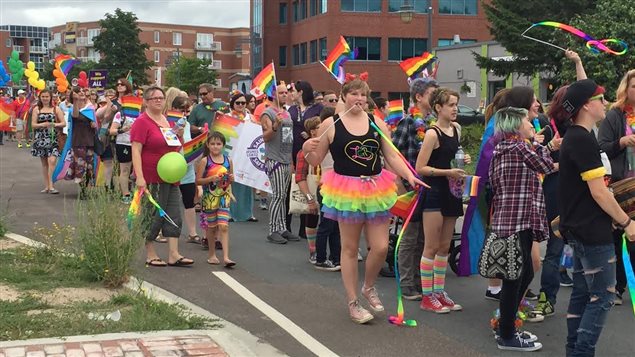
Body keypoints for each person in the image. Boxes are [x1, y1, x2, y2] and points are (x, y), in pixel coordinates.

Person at [302, 73, 424, 324]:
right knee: (349, 248)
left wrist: (409, 177)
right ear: (344, 96)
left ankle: (369, 287)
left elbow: (390, 155)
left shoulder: (375, 121)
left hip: (376, 188)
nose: (359, 98)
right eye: (354, 93)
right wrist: (306, 151)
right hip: (346, 189)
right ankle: (352, 301)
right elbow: (316, 161)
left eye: (363, 94)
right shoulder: (331, 124)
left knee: (380, 247)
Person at [555, 79, 635, 356]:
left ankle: (574, 351)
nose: (604, 104)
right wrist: (627, 222)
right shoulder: (581, 139)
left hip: (581, 229)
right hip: (591, 232)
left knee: (581, 295)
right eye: (599, 99)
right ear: (586, 105)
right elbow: (599, 192)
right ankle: (581, 352)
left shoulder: (579, 136)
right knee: (602, 298)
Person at [489, 107, 557, 351]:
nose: (532, 123)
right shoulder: (520, 148)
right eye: (528, 121)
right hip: (519, 220)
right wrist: (542, 146)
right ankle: (507, 334)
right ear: (516, 126)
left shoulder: (503, 150)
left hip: (511, 219)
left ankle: (505, 324)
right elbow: (547, 166)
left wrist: (540, 146)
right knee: (515, 277)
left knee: (524, 273)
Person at [415, 88, 470, 313]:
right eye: (450, 105)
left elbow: (453, 155)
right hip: (435, 191)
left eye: (456, 104)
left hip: (452, 192)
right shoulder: (432, 133)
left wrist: (463, 158)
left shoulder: (456, 129)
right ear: (438, 108)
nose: (455, 108)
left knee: (445, 246)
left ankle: (439, 291)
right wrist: (447, 172)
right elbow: (420, 168)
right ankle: (427, 296)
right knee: (431, 245)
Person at [130, 86, 193, 267]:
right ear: (146, 102)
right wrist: (140, 177)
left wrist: (179, 136)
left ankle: (174, 254)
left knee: (174, 213)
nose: (158, 100)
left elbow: (173, 146)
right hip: (151, 176)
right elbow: (136, 150)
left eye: (161, 97)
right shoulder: (142, 122)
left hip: (171, 176)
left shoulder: (166, 120)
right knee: (153, 215)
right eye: (154, 98)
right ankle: (150, 253)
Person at [392, 77, 439, 300]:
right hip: (411, 187)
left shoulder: (434, 124)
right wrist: (400, 185)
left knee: (424, 238)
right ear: (419, 97)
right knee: (410, 237)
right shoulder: (409, 123)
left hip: (430, 188)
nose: (436, 99)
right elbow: (393, 155)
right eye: (432, 94)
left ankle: (421, 280)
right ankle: (407, 282)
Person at [597, 69, 635, 306]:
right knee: (620, 234)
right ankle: (618, 285)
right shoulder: (615, 115)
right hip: (622, 183)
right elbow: (602, 146)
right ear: (626, 89)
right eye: (634, 86)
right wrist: (622, 141)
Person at [261, 82, 300, 244]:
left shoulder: (286, 113)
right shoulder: (267, 113)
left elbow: (288, 139)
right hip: (274, 158)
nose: (285, 95)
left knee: (283, 195)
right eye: (282, 93)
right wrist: (275, 125)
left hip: (285, 158)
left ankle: (282, 227)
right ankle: (273, 230)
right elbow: (265, 137)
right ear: (274, 94)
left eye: (286, 92)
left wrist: (291, 161)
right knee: (277, 195)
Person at [288, 80, 324, 237]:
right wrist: (288, 159)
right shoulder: (291, 109)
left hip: (312, 153)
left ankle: (306, 227)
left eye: (294, 90)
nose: (292, 93)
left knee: (310, 183)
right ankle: (286, 227)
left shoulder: (318, 108)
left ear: (301, 91)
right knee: (292, 188)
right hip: (293, 151)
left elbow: (323, 127)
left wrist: (309, 134)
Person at [196, 131, 236, 267]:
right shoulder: (204, 161)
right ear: (208, 145)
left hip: (224, 196)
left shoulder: (228, 160)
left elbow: (231, 178)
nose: (215, 146)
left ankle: (226, 257)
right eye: (212, 144)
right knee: (212, 228)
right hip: (209, 198)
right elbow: (198, 181)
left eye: (218, 144)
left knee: (224, 226)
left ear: (223, 145)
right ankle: (212, 254)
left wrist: (231, 179)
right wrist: (210, 179)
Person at [313, 106, 341, 271]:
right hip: (327, 186)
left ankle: (336, 257)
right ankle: (321, 257)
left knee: (336, 226)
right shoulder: (324, 139)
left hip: (339, 187)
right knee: (327, 224)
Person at [295, 116, 322, 263]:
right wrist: (309, 198)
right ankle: (313, 250)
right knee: (312, 218)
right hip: (313, 189)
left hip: (331, 190)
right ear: (312, 132)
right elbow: (300, 177)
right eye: (320, 127)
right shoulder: (303, 152)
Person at [228, 92, 258, 222]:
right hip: (232, 154)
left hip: (247, 154)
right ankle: (229, 213)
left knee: (247, 183)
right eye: (238, 103)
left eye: (243, 103)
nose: (240, 105)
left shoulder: (251, 118)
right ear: (232, 104)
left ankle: (248, 213)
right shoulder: (227, 117)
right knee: (230, 183)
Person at [30, 89, 66, 194]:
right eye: (43, 96)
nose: (45, 98)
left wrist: (54, 124)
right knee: (45, 163)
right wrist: (42, 124)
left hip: (53, 138)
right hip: (41, 139)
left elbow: (63, 123)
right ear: (40, 98)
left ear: (51, 98)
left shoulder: (56, 109)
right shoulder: (37, 109)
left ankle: (51, 185)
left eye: (47, 96)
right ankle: (47, 186)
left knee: (52, 161)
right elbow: (33, 124)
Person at [108, 82, 135, 203]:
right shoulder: (120, 114)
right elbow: (111, 131)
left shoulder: (140, 115)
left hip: (137, 144)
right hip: (123, 144)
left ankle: (138, 193)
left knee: (138, 170)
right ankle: (126, 195)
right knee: (125, 170)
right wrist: (122, 130)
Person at [67, 87, 97, 193]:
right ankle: (83, 189)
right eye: (78, 92)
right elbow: (75, 115)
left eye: (82, 91)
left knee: (90, 165)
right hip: (78, 140)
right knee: (80, 165)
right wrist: (75, 101)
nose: (81, 93)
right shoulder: (72, 107)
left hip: (89, 140)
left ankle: (87, 186)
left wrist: (94, 124)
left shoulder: (90, 108)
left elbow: (95, 122)